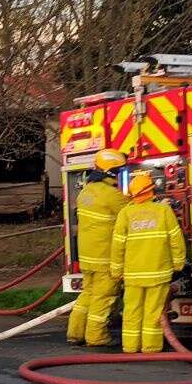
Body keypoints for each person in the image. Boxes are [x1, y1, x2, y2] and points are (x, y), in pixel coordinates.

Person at [110, 172, 186, 354]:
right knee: (153, 312)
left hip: (133, 275)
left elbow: (117, 245)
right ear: (151, 191)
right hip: (158, 274)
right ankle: (150, 348)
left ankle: (130, 347)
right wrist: (178, 264)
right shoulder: (164, 211)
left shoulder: (125, 214)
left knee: (131, 311)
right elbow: (176, 240)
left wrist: (116, 270)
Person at [66, 149, 130, 348]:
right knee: (104, 298)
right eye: (119, 171)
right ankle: (96, 337)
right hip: (105, 258)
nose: (120, 175)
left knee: (87, 295)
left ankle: (75, 333)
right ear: (111, 172)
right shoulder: (113, 196)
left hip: (87, 257)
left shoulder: (85, 192)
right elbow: (131, 215)